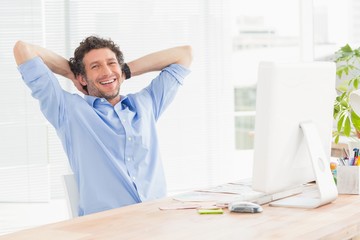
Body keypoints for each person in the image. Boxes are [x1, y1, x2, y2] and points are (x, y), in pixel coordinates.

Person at [13, 36, 192, 216]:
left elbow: (184, 54)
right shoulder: (68, 111)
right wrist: (71, 74)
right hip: (107, 226)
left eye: (111, 63)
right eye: (95, 66)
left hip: (158, 217)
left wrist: (124, 71)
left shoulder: (146, 104)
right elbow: (23, 49)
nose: (106, 72)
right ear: (82, 78)